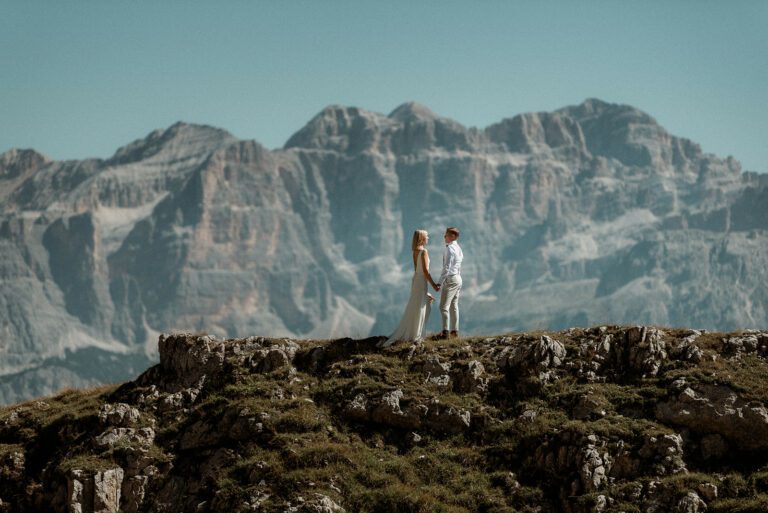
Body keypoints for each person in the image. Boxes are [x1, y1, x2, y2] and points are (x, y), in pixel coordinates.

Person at [378, 229, 440, 348]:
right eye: (427, 236)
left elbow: (417, 270)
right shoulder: (424, 252)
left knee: (416, 305)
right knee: (421, 306)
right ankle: (416, 334)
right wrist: (434, 285)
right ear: (422, 238)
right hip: (421, 281)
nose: (428, 238)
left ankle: (413, 332)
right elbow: (426, 271)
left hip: (416, 280)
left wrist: (426, 291)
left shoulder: (414, 251)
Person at [436, 227, 463, 339]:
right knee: (454, 306)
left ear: (452, 236)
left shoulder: (450, 249)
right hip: (458, 278)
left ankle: (445, 332)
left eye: (446, 234)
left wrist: (439, 283)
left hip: (451, 279)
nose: (444, 236)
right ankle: (454, 331)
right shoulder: (459, 248)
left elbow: (446, 268)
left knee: (443, 307)